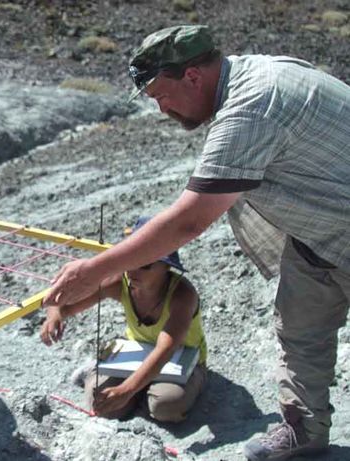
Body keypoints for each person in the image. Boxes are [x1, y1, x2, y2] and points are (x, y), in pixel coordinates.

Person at [44, 25, 349, 461]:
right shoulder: (253, 76)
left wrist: (90, 270)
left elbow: (188, 222)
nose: (162, 109)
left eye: (160, 96)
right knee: (300, 330)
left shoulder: (251, 105)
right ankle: (305, 430)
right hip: (316, 237)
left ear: (192, 76)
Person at [41, 217, 207, 422]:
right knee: (102, 404)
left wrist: (127, 389)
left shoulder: (183, 294)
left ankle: (155, 389)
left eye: (146, 265)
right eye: (132, 261)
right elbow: (65, 302)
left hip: (182, 360)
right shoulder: (120, 282)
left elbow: (167, 348)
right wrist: (55, 314)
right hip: (136, 355)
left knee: (166, 406)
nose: (134, 271)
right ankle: (134, 388)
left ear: (167, 267)